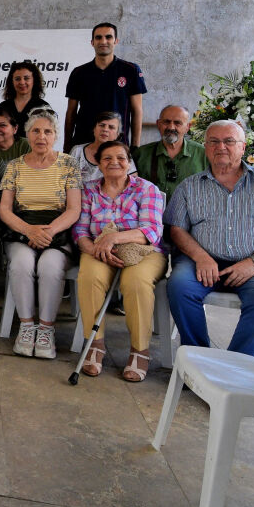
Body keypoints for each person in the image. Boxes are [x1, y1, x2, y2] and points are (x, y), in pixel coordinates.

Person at [164, 119, 254, 357]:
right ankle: (198, 360)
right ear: (205, 148)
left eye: (229, 141)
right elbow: (176, 230)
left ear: (243, 147)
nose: (221, 147)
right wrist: (201, 257)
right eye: (214, 142)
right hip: (203, 262)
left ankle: (235, 365)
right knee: (180, 287)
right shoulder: (189, 187)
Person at [72, 140, 167, 381]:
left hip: (143, 252)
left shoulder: (146, 189)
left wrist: (113, 238)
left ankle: (140, 350)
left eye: (121, 158)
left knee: (136, 282)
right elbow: (80, 231)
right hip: (98, 250)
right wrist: (96, 249)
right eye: (107, 158)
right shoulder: (88, 190)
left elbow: (151, 231)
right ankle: (95, 344)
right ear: (98, 163)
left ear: (129, 162)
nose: (114, 162)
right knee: (89, 277)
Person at [0, 108, 82, 359]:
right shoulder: (14, 166)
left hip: (57, 230)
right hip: (22, 229)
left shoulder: (68, 164)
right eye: (35, 131)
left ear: (55, 135)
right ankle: (26, 327)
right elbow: (4, 209)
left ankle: (46, 330)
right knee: (21, 264)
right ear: (27, 135)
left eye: (47, 131)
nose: (41, 136)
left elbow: (74, 209)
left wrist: (48, 231)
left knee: (50, 266)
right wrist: (29, 231)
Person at [64, 22, 146, 150]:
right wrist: (67, 145)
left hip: (117, 143)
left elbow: (137, 110)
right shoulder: (79, 73)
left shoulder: (131, 70)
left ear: (116, 41)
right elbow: (71, 112)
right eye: (98, 37)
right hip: (83, 142)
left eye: (108, 37)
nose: (103, 41)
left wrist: (135, 146)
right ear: (92, 42)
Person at [133, 104, 207, 197]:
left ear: (188, 127)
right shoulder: (141, 154)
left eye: (177, 123)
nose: (171, 127)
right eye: (166, 122)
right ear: (158, 124)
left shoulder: (203, 154)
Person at [68, 111, 138, 183]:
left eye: (111, 127)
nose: (105, 129)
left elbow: (133, 181)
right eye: (102, 125)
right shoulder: (77, 151)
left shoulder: (123, 153)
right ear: (94, 129)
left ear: (117, 134)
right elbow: (67, 180)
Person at [0, 61, 49, 137]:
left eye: (26, 78)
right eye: (17, 79)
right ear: (12, 81)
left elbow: (47, 135)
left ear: (34, 80)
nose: (22, 82)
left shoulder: (43, 106)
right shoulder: (4, 106)